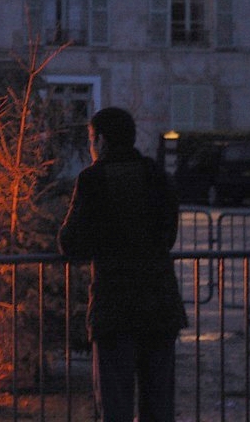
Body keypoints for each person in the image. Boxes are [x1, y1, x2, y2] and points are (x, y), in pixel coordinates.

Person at [57, 107, 187, 422]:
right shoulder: (158, 176)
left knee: (115, 404)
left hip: (115, 307)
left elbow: (70, 242)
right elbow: (167, 236)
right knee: (159, 405)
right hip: (160, 305)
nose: (91, 147)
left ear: (100, 140)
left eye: (91, 139)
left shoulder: (93, 179)